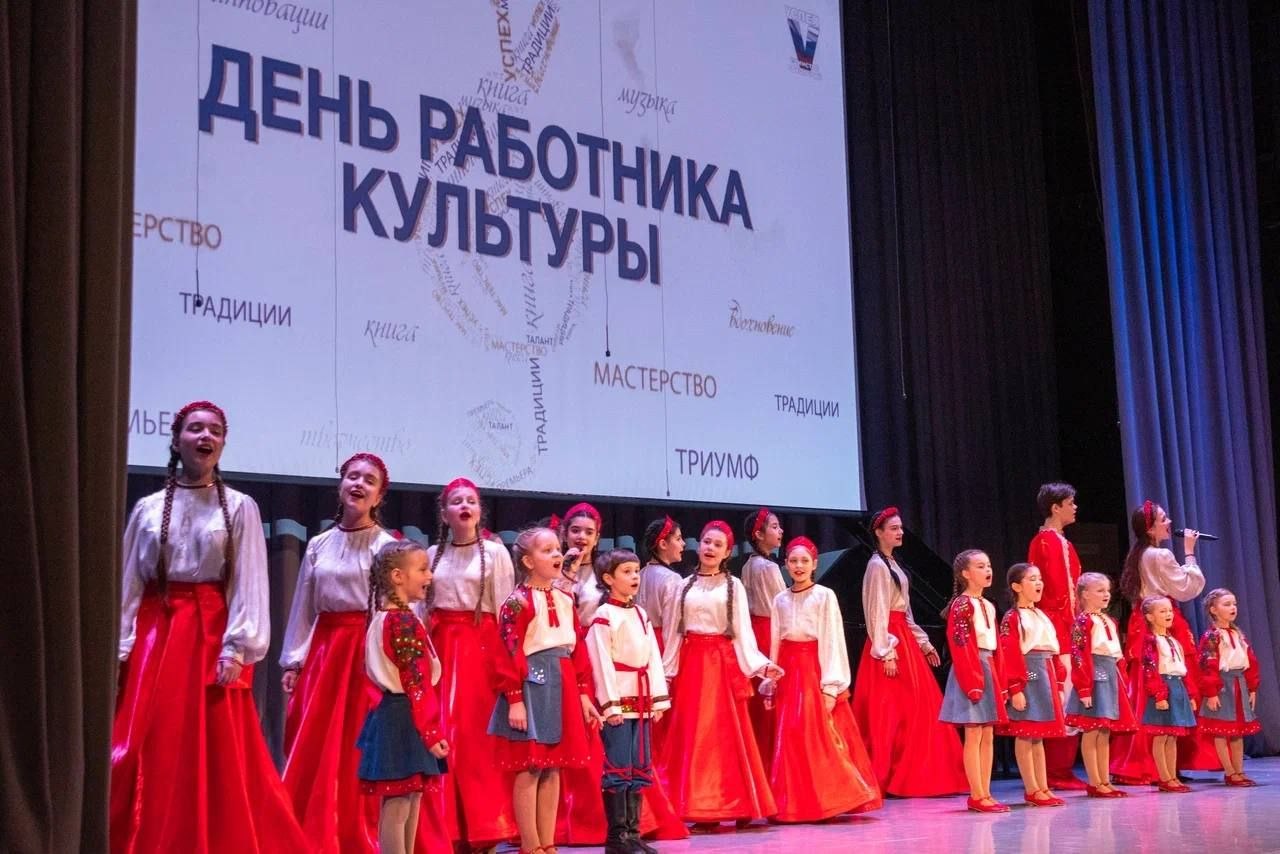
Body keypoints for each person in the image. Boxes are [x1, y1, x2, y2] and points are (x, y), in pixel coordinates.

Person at [110, 401, 309, 853]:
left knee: (218, 748)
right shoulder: (148, 508)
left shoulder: (239, 507)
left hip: (212, 635)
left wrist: (236, 647)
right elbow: (129, 583)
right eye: (196, 429)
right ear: (176, 440)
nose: (206, 437)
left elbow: (248, 580)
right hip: (157, 635)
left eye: (215, 431)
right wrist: (121, 647)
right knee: (149, 741)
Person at [279, 453, 397, 852]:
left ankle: (355, 830)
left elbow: (399, 611)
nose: (359, 484)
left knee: (355, 744)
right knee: (315, 742)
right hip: (325, 652)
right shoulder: (319, 544)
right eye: (352, 477)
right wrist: (294, 660)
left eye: (369, 480)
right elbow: (304, 607)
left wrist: (393, 665)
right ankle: (311, 827)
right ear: (341, 484)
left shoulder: (387, 547)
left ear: (379, 496)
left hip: (366, 651)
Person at [659, 521, 783, 828]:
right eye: (706, 542)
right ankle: (700, 805)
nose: (710, 548)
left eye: (717, 544)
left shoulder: (733, 585)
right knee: (694, 736)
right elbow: (674, 633)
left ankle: (735, 803)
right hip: (692, 665)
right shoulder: (682, 586)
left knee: (724, 736)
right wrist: (666, 672)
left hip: (721, 665)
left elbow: (742, 632)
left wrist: (760, 665)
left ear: (727, 552)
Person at [489, 527, 602, 854]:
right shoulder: (517, 603)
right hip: (532, 684)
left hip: (562, 681)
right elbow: (508, 653)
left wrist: (583, 694)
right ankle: (530, 844)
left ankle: (548, 843)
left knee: (554, 766)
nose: (556, 555)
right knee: (530, 765)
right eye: (547, 550)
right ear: (528, 561)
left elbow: (577, 648)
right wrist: (515, 699)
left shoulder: (565, 598)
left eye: (557, 549)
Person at [425, 477, 518, 848]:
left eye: (471, 501)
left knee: (476, 737)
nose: (464, 506)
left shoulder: (494, 553)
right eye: (456, 501)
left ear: (480, 511)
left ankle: (484, 826)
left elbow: (505, 609)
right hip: (442, 646)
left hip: (480, 646)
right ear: (444, 514)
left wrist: (507, 665)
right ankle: (445, 826)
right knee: (443, 731)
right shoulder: (432, 553)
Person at [762, 537, 881, 822]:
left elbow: (832, 638)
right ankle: (795, 802)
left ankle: (827, 799)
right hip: (788, 670)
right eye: (793, 561)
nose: (799, 566)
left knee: (817, 734)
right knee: (791, 735)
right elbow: (776, 640)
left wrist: (830, 686)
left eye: (804, 561)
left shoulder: (824, 595)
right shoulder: (780, 599)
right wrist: (771, 680)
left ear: (814, 564)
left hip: (812, 668)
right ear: (785, 564)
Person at [853, 507, 967, 797]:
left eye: (900, 527)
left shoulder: (893, 563)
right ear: (879, 533)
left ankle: (916, 774)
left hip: (902, 636)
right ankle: (891, 775)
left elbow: (906, 612)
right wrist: (885, 651)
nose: (900, 532)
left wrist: (924, 642)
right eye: (893, 528)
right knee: (891, 712)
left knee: (916, 710)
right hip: (889, 642)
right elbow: (876, 612)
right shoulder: (876, 566)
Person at [1111, 501, 1216, 783]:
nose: (1169, 522)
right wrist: (1190, 553)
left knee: (1145, 685)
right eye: (1163, 518)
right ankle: (1161, 766)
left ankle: (1154, 764)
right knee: (1169, 681)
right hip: (1159, 619)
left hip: (1144, 620)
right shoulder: (1159, 555)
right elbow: (1186, 587)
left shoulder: (1141, 554)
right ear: (1150, 527)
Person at [356, 541, 450, 854]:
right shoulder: (401, 622)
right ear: (398, 576)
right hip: (403, 716)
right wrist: (430, 731)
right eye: (422, 569)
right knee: (399, 803)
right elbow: (416, 680)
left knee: (411, 797)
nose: (430, 576)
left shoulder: (391, 617)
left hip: (400, 713)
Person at [585, 549, 672, 854]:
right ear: (609, 579)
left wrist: (657, 700)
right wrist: (610, 705)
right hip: (619, 699)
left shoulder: (640, 614)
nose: (635, 576)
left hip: (642, 698)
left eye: (636, 571)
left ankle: (633, 833)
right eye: (627, 571)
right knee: (618, 765)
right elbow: (600, 662)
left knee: (638, 765)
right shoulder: (604, 616)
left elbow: (653, 657)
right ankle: (617, 837)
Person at [938, 550, 1009, 813]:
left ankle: (986, 792)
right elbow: (960, 645)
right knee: (974, 732)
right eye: (980, 566)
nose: (987, 570)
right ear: (965, 573)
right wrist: (973, 682)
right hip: (971, 669)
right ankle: (976, 794)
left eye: (988, 565)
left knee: (987, 733)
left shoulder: (988, 605)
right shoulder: (962, 604)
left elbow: (997, 645)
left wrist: (1001, 681)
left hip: (988, 665)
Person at [1026, 483, 1087, 789]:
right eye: (1070, 503)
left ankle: (1062, 768)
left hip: (1068, 625)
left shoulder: (1062, 542)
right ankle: (1054, 770)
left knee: (1072, 691)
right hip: (1056, 625)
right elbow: (1049, 589)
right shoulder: (1045, 542)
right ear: (1055, 507)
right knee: (1062, 691)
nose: (1075, 508)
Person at [996, 563, 1067, 807]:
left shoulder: (1042, 615)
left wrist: (1059, 682)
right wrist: (1015, 688)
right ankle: (1031, 788)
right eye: (1032, 579)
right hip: (1028, 675)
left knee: (1038, 736)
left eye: (1039, 579)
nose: (1038, 583)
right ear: (1017, 586)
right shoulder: (1013, 617)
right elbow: (1010, 653)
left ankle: (1042, 786)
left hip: (1045, 672)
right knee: (1026, 734)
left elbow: (1054, 651)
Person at [1063, 572, 1136, 798]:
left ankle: (1104, 779)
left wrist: (1123, 680)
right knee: (1092, 730)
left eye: (1107, 591)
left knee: (1104, 731)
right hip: (1094, 676)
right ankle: (1094, 781)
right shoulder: (1083, 622)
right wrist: (1084, 688)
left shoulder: (1109, 620)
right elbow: (1079, 655)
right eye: (1100, 590)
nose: (1106, 595)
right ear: (1085, 594)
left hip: (1110, 674)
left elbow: (1117, 654)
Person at [1196, 588, 1262, 786]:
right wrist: (1211, 692)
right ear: (1213, 610)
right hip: (1222, 686)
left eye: (1234, 604)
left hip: (1238, 683)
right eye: (1227, 604)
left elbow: (1250, 661)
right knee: (1222, 730)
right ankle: (1230, 772)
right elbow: (1207, 665)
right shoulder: (1212, 636)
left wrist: (1252, 688)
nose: (1233, 608)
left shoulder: (1237, 634)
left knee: (1237, 731)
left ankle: (1239, 770)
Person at [1137, 596, 1199, 793]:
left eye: (1170, 610)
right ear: (1150, 617)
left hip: (1177, 687)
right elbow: (1150, 670)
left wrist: (1190, 694)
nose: (1168, 614)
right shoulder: (1150, 641)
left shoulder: (1174, 641)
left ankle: (1173, 776)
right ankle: (1164, 777)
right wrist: (1159, 694)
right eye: (1162, 611)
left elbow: (1183, 669)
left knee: (1173, 736)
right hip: (1162, 688)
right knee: (1161, 735)